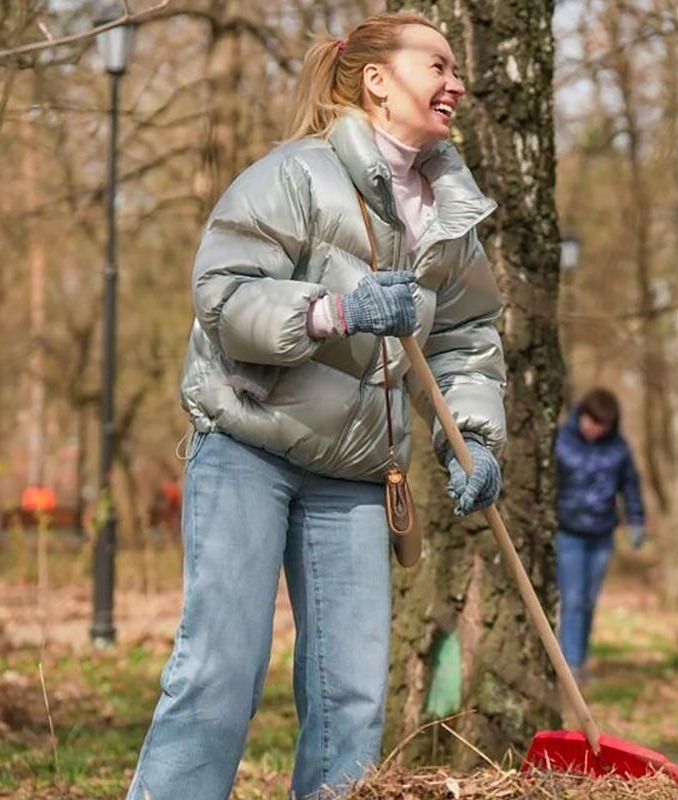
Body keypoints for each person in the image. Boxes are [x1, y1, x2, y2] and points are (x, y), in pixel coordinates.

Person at [125, 14, 507, 800]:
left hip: (357, 476)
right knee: (220, 669)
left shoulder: (450, 216)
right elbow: (222, 297)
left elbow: (467, 336)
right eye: (436, 64)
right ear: (376, 79)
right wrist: (336, 312)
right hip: (248, 447)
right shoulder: (296, 174)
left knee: (353, 699)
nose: (456, 83)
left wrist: (472, 440)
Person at [554, 387, 646, 682]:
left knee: (589, 600)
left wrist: (636, 521)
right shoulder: (560, 441)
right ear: (582, 416)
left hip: (602, 534)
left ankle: (580, 660)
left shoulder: (618, 449)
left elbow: (630, 486)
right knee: (573, 598)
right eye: (590, 421)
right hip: (568, 532)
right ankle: (569, 666)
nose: (594, 429)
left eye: (601, 425)